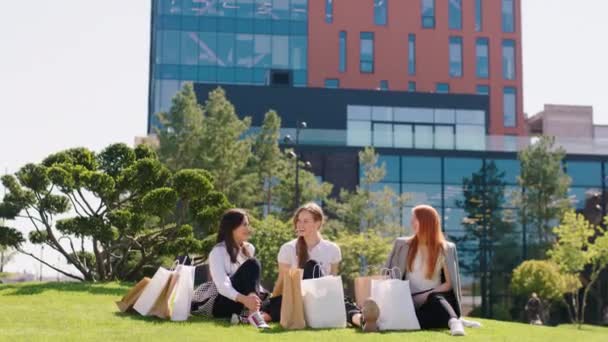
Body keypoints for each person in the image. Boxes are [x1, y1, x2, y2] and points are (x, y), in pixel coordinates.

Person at [262, 202, 380, 332]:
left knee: (340, 302)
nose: (300, 224)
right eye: (298, 221)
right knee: (311, 267)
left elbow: (332, 281)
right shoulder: (288, 248)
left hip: (321, 298)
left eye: (305, 221)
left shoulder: (332, 249)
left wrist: (337, 297)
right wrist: (272, 301)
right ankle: (264, 315)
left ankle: (361, 319)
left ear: (318, 223)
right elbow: (282, 281)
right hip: (296, 300)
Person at [385, 204, 479, 336]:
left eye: (414, 219)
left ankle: (454, 322)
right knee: (410, 321)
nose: (411, 223)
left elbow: (448, 284)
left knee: (435, 299)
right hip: (408, 300)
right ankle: (451, 318)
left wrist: (426, 295)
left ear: (426, 223)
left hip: (434, 298)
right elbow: (387, 274)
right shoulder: (403, 245)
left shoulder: (445, 248)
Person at [191, 208, 269, 329]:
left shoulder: (249, 248)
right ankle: (254, 314)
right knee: (253, 263)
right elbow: (223, 286)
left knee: (279, 301)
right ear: (232, 227)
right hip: (222, 303)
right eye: (244, 225)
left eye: (248, 225)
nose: (248, 229)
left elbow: (250, 280)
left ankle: (245, 317)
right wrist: (245, 300)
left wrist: (255, 298)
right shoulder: (217, 252)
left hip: (243, 303)